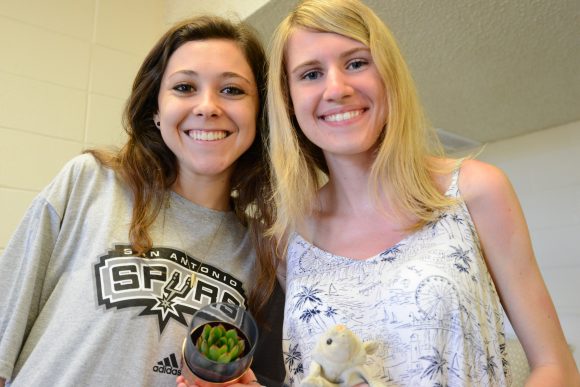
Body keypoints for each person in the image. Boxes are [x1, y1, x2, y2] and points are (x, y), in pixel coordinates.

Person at [266, 0, 580, 386]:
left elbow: (556, 366)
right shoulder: (287, 236)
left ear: (388, 74)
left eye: (356, 63)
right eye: (311, 73)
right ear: (288, 100)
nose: (337, 88)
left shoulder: (474, 190)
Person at [0, 15, 284, 386]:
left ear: (259, 113)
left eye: (232, 90)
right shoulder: (88, 182)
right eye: (184, 87)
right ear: (155, 110)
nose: (207, 106)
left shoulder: (264, 250)